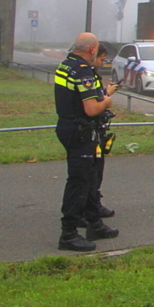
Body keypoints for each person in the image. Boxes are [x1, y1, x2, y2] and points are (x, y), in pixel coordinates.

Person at [54, 32, 119, 251]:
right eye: (97, 50)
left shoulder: (66, 65)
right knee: (80, 182)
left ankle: (95, 224)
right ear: (92, 50)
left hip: (69, 126)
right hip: (81, 131)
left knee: (90, 177)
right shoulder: (83, 72)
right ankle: (69, 234)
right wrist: (107, 100)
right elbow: (92, 108)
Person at [86, 43, 119, 222]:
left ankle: (93, 205)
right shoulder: (87, 75)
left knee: (96, 171)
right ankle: (90, 209)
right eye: (101, 59)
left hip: (94, 129)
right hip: (90, 130)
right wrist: (108, 96)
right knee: (92, 172)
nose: (102, 62)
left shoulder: (89, 74)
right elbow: (95, 103)